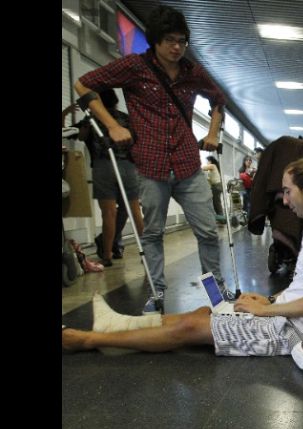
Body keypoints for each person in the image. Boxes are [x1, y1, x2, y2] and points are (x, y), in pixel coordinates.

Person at [62, 159, 303, 356]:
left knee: (188, 328)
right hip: (283, 316)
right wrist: (268, 299)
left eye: (287, 191)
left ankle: (89, 339)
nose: (285, 200)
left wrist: (265, 311)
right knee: (201, 314)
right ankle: (117, 325)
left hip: (293, 332)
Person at [74, 5, 235, 313]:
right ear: (155, 41)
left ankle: (216, 290)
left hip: (188, 164)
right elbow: (83, 84)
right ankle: (157, 292)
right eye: (170, 40)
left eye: (182, 41)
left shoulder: (192, 72)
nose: (177, 47)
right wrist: (112, 125)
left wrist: (213, 133)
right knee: (152, 233)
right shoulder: (134, 66)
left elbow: (218, 98)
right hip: (150, 166)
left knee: (206, 231)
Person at [62, 89, 143, 267]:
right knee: (135, 210)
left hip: (103, 166)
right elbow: (138, 143)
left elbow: (66, 132)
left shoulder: (91, 120)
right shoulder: (126, 119)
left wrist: (66, 113)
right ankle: (148, 253)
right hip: (128, 167)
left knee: (109, 213)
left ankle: (106, 256)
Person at [202, 155, 225, 223]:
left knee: (216, 203)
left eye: (207, 161)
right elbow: (209, 180)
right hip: (215, 186)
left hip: (217, 186)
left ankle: (222, 219)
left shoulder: (213, 166)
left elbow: (203, 168)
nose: (207, 162)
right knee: (215, 203)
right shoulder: (211, 170)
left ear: (210, 161)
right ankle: (220, 218)